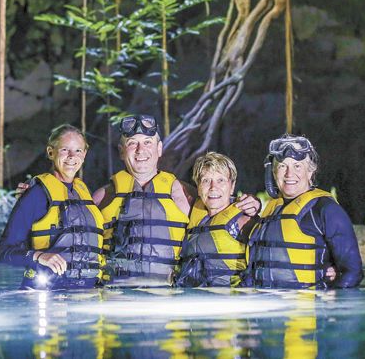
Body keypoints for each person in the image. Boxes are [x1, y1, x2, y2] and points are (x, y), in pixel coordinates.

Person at [94, 114, 262, 284]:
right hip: (116, 299)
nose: (140, 150)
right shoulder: (102, 197)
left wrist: (251, 203)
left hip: (166, 300)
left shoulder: (184, 194)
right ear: (121, 151)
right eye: (132, 143)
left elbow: (218, 204)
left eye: (147, 142)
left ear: (159, 149)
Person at [245, 134, 363, 289]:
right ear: (273, 173)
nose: (289, 174)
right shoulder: (270, 211)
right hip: (266, 305)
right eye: (282, 166)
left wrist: (334, 307)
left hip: (306, 308)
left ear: (310, 172)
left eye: (297, 166)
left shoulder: (326, 210)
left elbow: (353, 273)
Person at [0, 124, 105, 290]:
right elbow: (4, 252)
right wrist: (39, 256)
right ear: (51, 152)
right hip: (46, 293)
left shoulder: (83, 193)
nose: (71, 157)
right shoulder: (36, 194)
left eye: (78, 151)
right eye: (64, 150)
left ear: (85, 154)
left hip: (86, 292)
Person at [175, 152, 258, 287]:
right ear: (198, 186)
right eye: (206, 180)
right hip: (193, 298)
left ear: (232, 186)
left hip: (229, 300)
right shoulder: (192, 214)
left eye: (221, 180)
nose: (213, 187)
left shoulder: (244, 220)